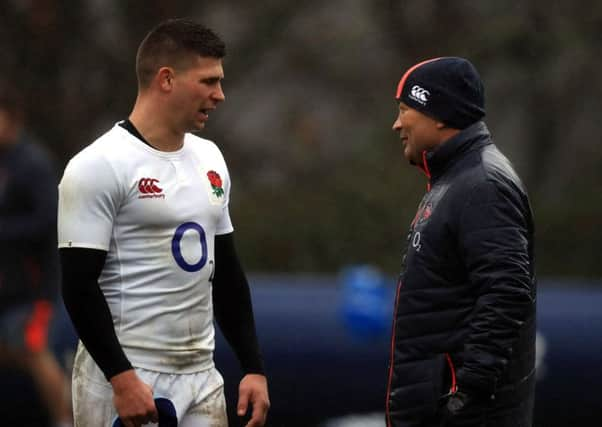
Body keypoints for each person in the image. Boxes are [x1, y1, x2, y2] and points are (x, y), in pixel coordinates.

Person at [58, 18, 269, 427]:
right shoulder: (97, 166)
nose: (220, 95)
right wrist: (120, 376)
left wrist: (253, 366)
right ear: (167, 79)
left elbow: (225, 273)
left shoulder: (211, 158)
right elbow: (78, 285)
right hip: (129, 371)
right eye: (208, 81)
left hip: (200, 372)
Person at [386, 57, 536, 427]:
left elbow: (506, 289)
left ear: (439, 114)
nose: (397, 124)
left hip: (467, 414)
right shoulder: (456, 179)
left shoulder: (482, 184)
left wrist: (468, 391)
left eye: (406, 109)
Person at [0, 84, 73, 427]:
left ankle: (67, 419)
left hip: (33, 288)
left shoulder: (33, 164)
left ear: (12, 119)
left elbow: (49, 220)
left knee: (33, 349)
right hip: (6, 286)